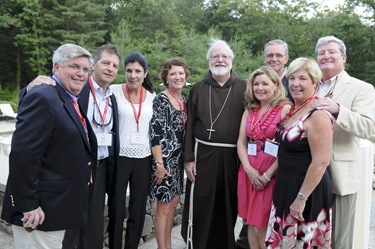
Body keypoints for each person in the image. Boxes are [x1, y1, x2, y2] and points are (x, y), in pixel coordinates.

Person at [21, 44, 122, 249]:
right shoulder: (75, 87)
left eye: (115, 65)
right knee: (68, 229)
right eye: (105, 63)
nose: (110, 68)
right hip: (71, 171)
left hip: (99, 167)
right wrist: (28, 88)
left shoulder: (113, 96)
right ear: (95, 65)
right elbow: (27, 147)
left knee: (92, 223)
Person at [1, 44, 98, 249]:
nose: (81, 74)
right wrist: (28, 204)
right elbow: (23, 155)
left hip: (56, 207)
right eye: (74, 66)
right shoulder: (43, 96)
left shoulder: (67, 97)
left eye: (85, 69)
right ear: (56, 67)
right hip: (38, 213)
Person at [181, 38, 247, 249]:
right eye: (215, 56)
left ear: (231, 60)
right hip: (202, 156)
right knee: (200, 206)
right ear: (209, 60)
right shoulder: (198, 88)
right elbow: (190, 124)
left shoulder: (245, 87)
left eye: (224, 56)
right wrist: (189, 158)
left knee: (227, 206)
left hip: (232, 158)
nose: (220, 59)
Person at [312, 35, 375, 249]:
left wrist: (339, 111)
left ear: (344, 57)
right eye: (321, 53)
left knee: (338, 242)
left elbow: (371, 129)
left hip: (339, 176)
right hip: (307, 174)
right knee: (311, 238)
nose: (326, 56)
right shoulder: (308, 85)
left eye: (331, 52)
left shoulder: (362, 88)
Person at [266, 57, 334, 248]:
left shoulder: (317, 114)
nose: (295, 84)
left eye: (303, 78)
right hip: (285, 185)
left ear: (315, 82)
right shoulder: (295, 108)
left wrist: (301, 199)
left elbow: (321, 162)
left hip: (306, 191)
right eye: (293, 78)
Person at [236, 39, 293, 249]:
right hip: (250, 172)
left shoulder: (286, 109)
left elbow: (288, 147)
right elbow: (241, 142)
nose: (260, 88)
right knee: (250, 223)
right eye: (256, 84)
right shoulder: (249, 110)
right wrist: (249, 169)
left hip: (271, 173)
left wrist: (268, 174)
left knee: (264, 226)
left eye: (265, 84)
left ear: (275, 85)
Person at [108, 51, 156, 249]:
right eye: (129, 70)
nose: (133, 75)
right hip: (119, 158)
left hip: (144, 158)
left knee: (137, 209)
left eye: (138, 71)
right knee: (117, 209)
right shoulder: (113, 91)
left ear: (145, 73)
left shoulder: (152, 97)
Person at [149, 58, 189, 249]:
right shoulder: (161, 100)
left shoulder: (185, 100)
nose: (177, 77)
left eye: (181, 73)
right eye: (173, 73)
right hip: (163, 162)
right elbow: (154, 134)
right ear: (166, 77)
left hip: (179, 162)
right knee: (163, 207)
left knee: (173, 204)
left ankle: (168, 247)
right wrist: (159, 164)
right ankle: (162, 247)